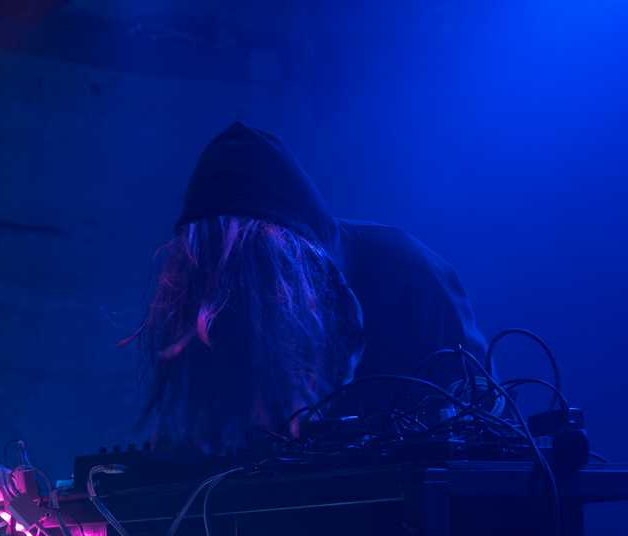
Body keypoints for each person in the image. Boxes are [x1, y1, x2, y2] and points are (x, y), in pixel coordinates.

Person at [133, 122, 486, 452]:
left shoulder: (408, 272)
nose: (233, 290)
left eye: (242, 266)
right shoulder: (229, 320)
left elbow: (484, 428)